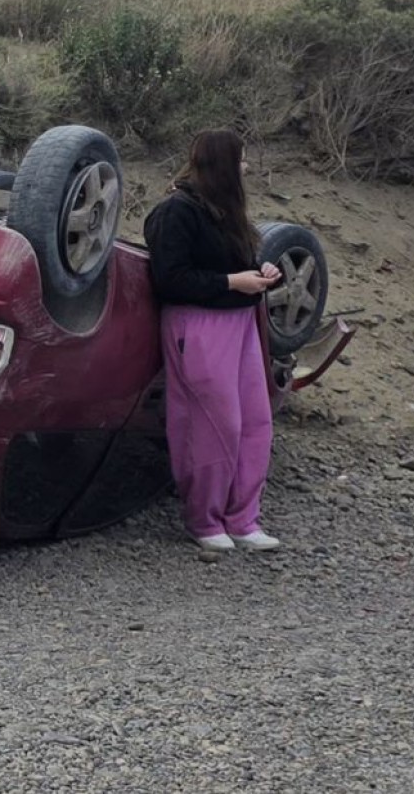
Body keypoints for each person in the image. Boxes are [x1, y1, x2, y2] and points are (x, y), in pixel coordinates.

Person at [143, 129, 284, 553]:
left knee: (255, 420)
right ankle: (204, 518)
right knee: (212, 422)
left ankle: (243, 518)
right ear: (224, 164)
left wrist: (262, 273)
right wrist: (231, 281)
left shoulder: (226, 211)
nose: (246, 168)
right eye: (241, 160)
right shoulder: (175, 211)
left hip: (240, 323)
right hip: (198, 326)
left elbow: (236, 264)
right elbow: (170, 279)